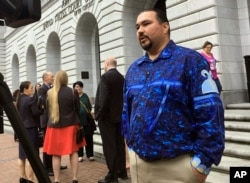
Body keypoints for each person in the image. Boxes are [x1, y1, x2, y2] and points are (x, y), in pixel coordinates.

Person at [121, 9, 225, 183]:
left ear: (165, 27)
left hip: (178, 167)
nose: (140, 30)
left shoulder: (189, 60)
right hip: (139, 165)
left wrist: (201, 165)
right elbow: (127, 115)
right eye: (137, 26)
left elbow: (211, 114)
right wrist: (129, 152)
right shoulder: (134, 69)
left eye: (146, 24)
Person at [43, 70, 86, 183]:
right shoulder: (73, 92)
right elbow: (77, 109)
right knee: (74, 152)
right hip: (71, 125)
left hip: (54, 126)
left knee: (56, 154)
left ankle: (57, 179)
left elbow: (48, 110)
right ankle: (75, 178)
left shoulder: (50, 92)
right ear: (66, 79)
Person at [95, 57, 128, 183]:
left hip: (107, 117)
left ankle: (112, 176)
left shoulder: (105, 77)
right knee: (119, 145)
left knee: (110, 147)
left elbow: (102, 99)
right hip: (119, 117)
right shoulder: (121, 78)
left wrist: (98, 114)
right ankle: (122, 171)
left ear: (107, 64)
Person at [38, 71, 67, 176]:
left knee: (55, 143)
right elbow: (45, 104)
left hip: (53, 120)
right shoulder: (42, 89)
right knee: (48, 145)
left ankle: (56, 164)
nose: (53, 78)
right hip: (46, 121)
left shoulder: (50, 88)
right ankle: (48, 167)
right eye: (51, 76)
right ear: (45, 78)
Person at [16, 81, 43, 183]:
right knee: (31, 156)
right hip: (31, 129)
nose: (33, 89)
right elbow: (36, 113)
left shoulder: (19, 99)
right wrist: (42, 109)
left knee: (22, 155)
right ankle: (31, 179)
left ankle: (22, 177)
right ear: (25, 89)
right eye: (31, 88)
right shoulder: (30, 99)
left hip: (21, 129)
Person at [73, 81, 95, 162]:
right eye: (76, 87)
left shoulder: (86, 96)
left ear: (82, 87)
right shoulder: (73, 97)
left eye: (79, 86)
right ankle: (80, 155)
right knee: (79, 138)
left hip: (87, 121)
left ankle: (90, 154)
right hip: (78, 121)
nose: (77, 88)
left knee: (89, 138)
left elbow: (90, 107)